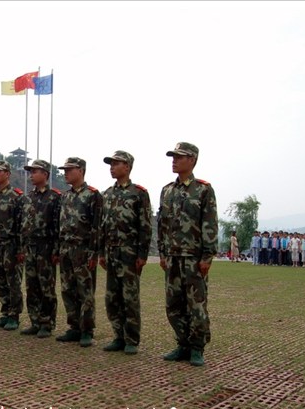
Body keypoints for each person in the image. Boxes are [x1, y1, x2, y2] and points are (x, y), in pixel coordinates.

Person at [157, 142, 218, 367]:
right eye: (173, 157)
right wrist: (162, 253)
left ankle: (197, 347)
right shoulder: (167, 191)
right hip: (172, 257)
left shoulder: (203, 190)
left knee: (196, 305)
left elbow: (210, 224)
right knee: (173, 305)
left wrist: (207, 256)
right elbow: (162, 224)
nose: (174, 161)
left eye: (179, 157)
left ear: (192, 160)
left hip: (193, 258)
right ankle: (182, 344)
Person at [99, 151, 152, 355]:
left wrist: (142, 255)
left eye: (116, 164)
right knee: (112, 298)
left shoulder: (139, 193)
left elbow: (145, 226)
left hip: (129, 254)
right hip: (111, 253)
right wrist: (101, 252)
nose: (112, 167)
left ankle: (131, 339)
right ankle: (118, 336)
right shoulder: (107, 194)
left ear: (127, 166)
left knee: (130, 298)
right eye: (110, 164)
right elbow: (102, 227)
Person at [56, 157, 103, 348]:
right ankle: (74, 327)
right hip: (66, 249)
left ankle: (87, 330)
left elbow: (97, 227)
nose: (66, 173)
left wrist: (94, 253)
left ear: (81, 170)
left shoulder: (93, 195)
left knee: (85, 291)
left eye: (70, 169)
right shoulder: (65, 196)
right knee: (68, 289)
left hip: (83, 249)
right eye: (65, 170)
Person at [21, 159, 61, 338]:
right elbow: (24, 224)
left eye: (34, 171)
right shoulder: (29, 197)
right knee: (31, 287)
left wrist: (55, 250)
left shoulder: (55, 197)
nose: (31, 175)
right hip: (30, 247)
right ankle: (35, 321)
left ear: (45, 174)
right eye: (30, 172)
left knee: (46, 288)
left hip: (46, 248)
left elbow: (58, 226)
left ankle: (47, 323)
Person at [0, 160, 27, 331]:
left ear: (8, 174)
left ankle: (14, 315)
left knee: (13, 282)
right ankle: (5, 312)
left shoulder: (17, 197)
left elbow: (22, 225)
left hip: (11, 246)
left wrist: (21, 249)